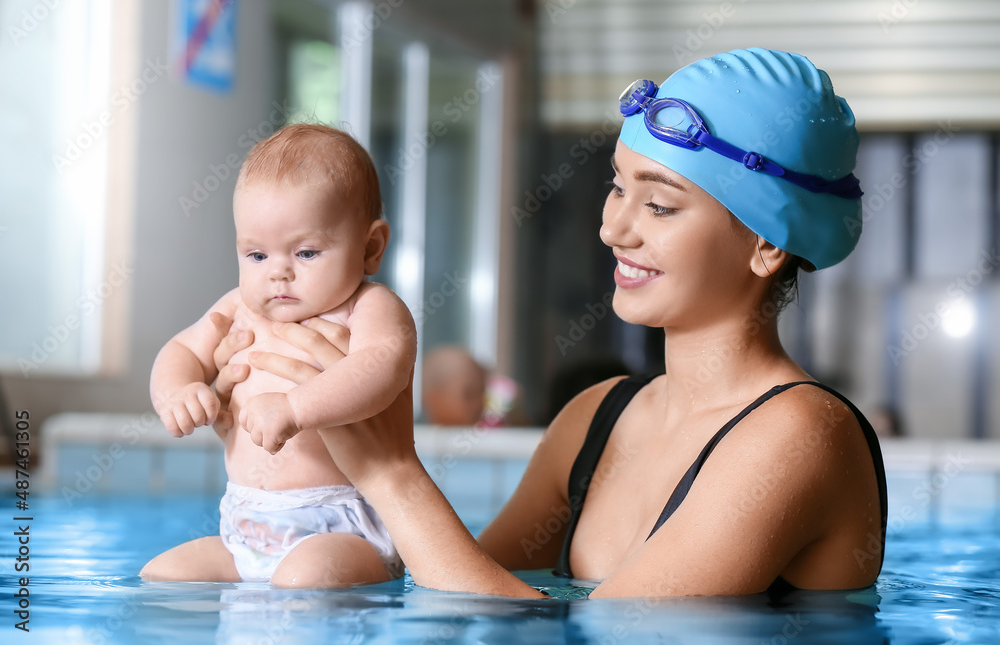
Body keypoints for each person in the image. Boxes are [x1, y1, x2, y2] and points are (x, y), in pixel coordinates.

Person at [211, 48, 887, 598]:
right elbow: (454, 587)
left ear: (766, 243)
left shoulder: (802, 436)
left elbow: (593, 638)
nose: (613, 227)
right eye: (618, 186)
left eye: (659, 206)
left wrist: (389, 471)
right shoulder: (596, 418)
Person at [140, 124, 416, 588]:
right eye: (256, 255)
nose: (278, 274)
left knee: (303, 580)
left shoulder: (368, 307)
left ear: (370, 248)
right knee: (162, 576)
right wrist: (178, 391)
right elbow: (184, 348)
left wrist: (296, 407)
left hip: (340, 527)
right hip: (244, 530)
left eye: (306, 252)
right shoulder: (238, 307)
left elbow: (383, 367)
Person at [421, 345, 487, 426]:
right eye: (470, 395)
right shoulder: (416, 437)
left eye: (482, 394)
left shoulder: (494, 436)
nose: (479, 404)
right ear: (434, 397)